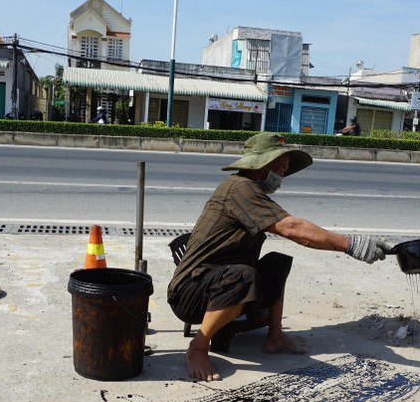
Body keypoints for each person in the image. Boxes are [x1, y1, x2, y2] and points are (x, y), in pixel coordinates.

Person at [167, 132, 391, 382]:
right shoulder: (239, 188)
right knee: (244, 275)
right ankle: (198, 347)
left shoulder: (251, 191)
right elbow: (292, 228)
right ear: (260, 164)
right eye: (280, 166)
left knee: (277, 263)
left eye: (285, 168)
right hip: (189, 293)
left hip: (217, 281)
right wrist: (349, 245)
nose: (283, 174)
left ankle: (275, 336)